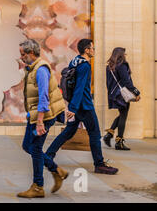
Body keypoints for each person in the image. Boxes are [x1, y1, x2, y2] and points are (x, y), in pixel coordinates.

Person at [46, 39, 119, 175]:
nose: (94, 50)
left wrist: (73, 106)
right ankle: (99, 164)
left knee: (68, 132)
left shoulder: (75, 61)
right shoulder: (85, 66)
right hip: (84, 106)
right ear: (87, 50)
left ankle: (48, 155)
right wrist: (73, 108)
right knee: (95, 133)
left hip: (77, 104)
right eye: (93, 48)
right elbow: (79, 88)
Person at [16, 39, 68, 198]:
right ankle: (57, 170)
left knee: (36, 148)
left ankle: (38, 186)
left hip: (43, 116)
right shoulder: (32, 68)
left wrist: (39, 121)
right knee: (27, 146)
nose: (21, 57)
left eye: (23, 54)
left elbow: (43, 97)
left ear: (31, 53)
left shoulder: (40, 70)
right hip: (35, 115)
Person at [103, 47, 140, 150]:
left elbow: (108, 83)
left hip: (114, 94)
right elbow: (126, 81)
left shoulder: (109, 67)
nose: (125, 55)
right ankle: (119, 142)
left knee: (122, 114)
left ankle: (109, 134)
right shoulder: (122, 65)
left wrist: (112, 94)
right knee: (123, 115)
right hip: (122, 94)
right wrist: (136, 92)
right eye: (124, 54)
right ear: (121, 54)